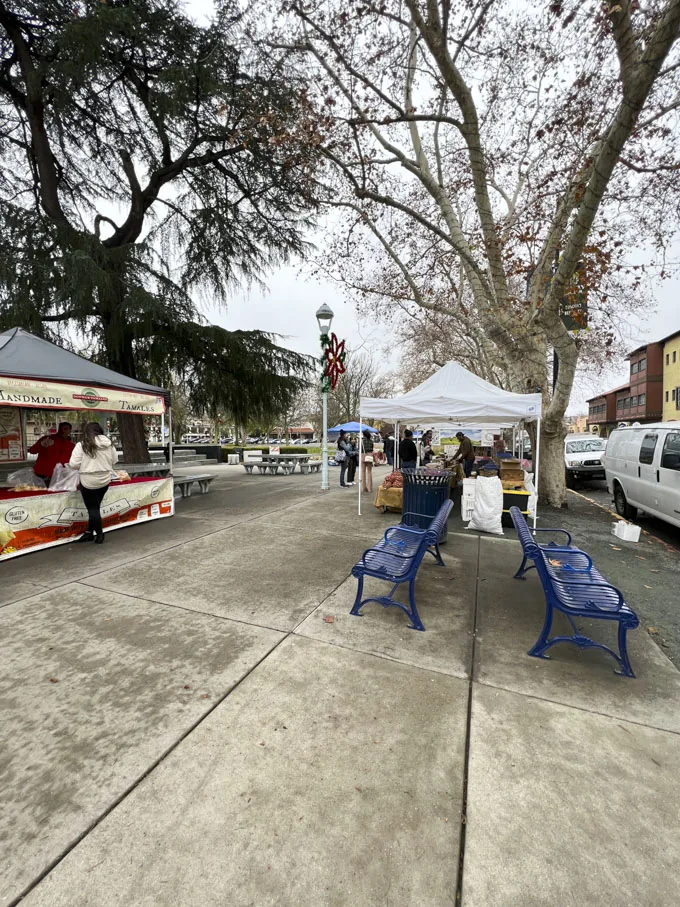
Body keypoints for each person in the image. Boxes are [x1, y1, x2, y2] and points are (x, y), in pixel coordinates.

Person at [69, 422, 118, 543]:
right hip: (105, 480)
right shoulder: (109, 444)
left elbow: (73, 464)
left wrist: (85, 465)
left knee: (93, 509)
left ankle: (100, 534)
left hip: (88, 481)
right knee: (95, 507)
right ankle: (89, 532)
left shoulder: (82, 445)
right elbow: (115, 460)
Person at [29, 422, 75, 486]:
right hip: (43, 474)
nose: (63, 431)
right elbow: (32, 450)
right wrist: (41, 444)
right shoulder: (47, 439)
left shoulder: (71, 445)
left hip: (60, 476)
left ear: (70, 430)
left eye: (66, 428)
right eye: (61, 428)